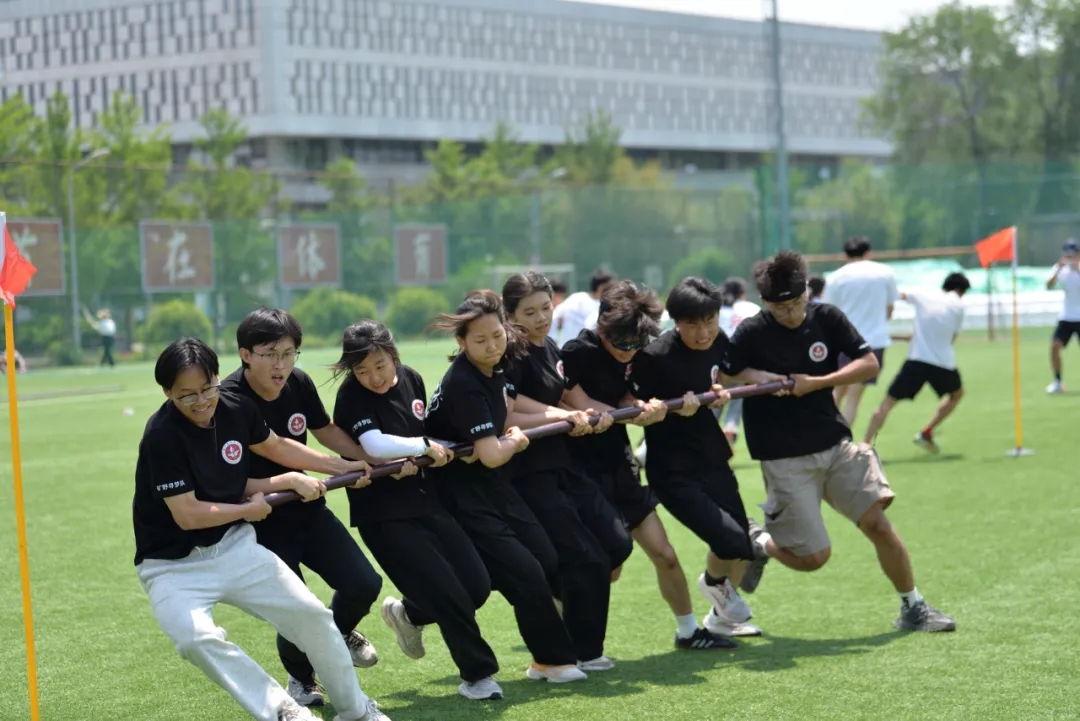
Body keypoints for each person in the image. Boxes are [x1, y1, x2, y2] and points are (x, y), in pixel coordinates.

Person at [133, 338, 390, 721]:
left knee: (313, 616)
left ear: (217, 378)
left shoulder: (235, 407)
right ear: (168, 392)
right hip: (172, 567)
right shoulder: (161, 436)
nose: (201, 402)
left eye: (207, 388)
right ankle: (285, 712)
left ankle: (358, 711)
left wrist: (334, 467)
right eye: (187, 395)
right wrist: (248, 510)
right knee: (194, 639)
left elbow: (274, 448)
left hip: (233, 547)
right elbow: (188, 514)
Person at [723, 250, 955, 633]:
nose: (791, 314)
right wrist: (761, 377)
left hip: (834, 443)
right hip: (783, 456)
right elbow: (724, 374)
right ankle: (758, 543)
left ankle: (913, 607)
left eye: (797, 304)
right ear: (765, 302)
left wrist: (817, 382)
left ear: (807, 292)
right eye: (780, 309)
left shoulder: (827, 317)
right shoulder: (752, 331)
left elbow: (869, 364)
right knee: (814, 558)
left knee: (877, 523)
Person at [329, 319, 505, 702]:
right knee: (449, 594)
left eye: (380, 365)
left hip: (427, 500)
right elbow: (374, 445)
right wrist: (420, 445)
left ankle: (408, 614)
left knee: (476, 586)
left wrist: (444, 448)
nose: (374, 377)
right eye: (362, 370)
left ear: (393, 355)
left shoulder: (411, 378)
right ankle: (478, 677)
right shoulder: (351, 396)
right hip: (384, 516)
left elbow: (423, 432)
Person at [219, 309, 384, 708]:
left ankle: (337, 632)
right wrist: (338, 467)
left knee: (364, 584)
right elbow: (271, 451)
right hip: (261, 520)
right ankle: (301, 678)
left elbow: (324, 430)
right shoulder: (228, 399)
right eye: (270, 354)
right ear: (245, 354)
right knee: (297, 607)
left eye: (289, 353)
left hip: (308, 508)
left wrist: (366, 459)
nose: (281, 365)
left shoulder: (299, 383)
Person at [561, 280, 738, 649]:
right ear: (602, 329)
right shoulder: (578, 351)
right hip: (580, 470)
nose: (629, 352)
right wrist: (629, 413)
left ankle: (689, 632)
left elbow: (629, 394)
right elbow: (576, 401)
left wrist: (640, 407)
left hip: (619, 462)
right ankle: (560, 643)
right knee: (607, 568)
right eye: (621, 345)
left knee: (665, 553)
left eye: (636, 345)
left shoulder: (637, 347)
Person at [424, 291, 587, 684]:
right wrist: (515, 440)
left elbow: (512, 413)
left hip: (490, 483)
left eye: (497, 335)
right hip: (459, 490)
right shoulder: (465, 383)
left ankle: (415, 609)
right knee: (526, 571)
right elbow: (492, 453)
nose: (492, 345)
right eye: (480, 340)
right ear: (461, 342)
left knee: (543, 556)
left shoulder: (496, 366)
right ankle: (551, 661)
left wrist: (560, 414)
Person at [502, 271, 635, 671]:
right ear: (510, 315)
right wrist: (562, 415)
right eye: (530, 312)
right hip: (529, 472)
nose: (541, 317)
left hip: (565, 464)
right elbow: (508, 412)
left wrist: (628, 411)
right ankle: (579, 653)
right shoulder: (508, 355)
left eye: (546, 307)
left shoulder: (550, 347)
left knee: (616, 544)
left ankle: (567, 629)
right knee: (585, 558)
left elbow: (574, 397)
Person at [631, 277, 763, 639]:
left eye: (710, 321)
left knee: (742, 545)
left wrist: (718, 391)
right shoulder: (655, 356)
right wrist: (670, 409)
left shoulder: (719, 342)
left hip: (711, 455)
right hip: (672, 470)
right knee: (728, 540)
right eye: (693, 324)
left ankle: (719, 617)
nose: (703, 333)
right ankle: (715, 586)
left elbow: (723, 376)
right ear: (676, 322)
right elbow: (635, 410)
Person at [863, 274, 971, 452]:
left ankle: (865, 443)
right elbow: (952, 338)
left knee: (887, 403)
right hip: (943, 363)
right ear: (961, 290)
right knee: (956, 395)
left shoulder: (923, 294)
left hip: (917, 359)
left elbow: (897, 294)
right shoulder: (959, 305)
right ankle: (927, 432)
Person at [823, 237, 898, 426]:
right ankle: (842, 438)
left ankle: (826, 435)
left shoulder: (836, 277)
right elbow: (890, 309)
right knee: (854, 397)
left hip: (842, 341)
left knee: (837, 391)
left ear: (845, 255)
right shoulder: (885, 273)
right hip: (873, 341)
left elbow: (828, 311)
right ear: (868, 253)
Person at [716, 277, 762, 445]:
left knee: (714, 398)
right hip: (743, 362)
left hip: (717, 361)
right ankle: (730, 426)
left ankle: (711, 430)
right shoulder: (751, 307)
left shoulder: (717, 309)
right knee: (738, 396)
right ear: (742, 293)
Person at [1046, 238, 1080, 394]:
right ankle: (1058, 382)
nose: (1069, 257)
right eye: (1067, 254)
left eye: (1072, 254)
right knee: (1054, 347)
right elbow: (1049, 285)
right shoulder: (1061, 269)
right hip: (1066, 317)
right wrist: (1058, 269)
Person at [553, 269, 615, 347]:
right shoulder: (601, 306)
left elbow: (556, 316)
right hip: (581, 350)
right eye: (611, 286)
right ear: (601, 287)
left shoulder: (576, 297)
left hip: (563, 348)